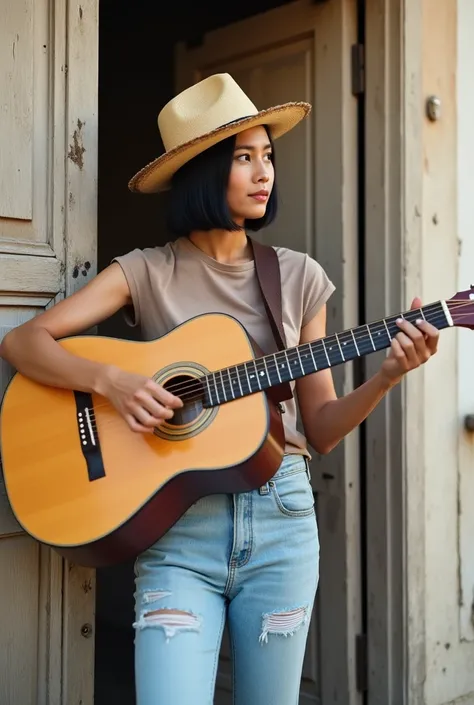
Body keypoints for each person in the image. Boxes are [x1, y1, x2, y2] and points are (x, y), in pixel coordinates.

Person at [0, 73, 439, 705]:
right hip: (178, 532)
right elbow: (23, 343)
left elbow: (320, 430)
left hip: (282, 522)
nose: (265, 172)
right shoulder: (146, 271)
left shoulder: (296, 277)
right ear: (205, 171)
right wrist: (114, 381)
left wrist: (388, 376)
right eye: (244, 157)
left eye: (268, 156)